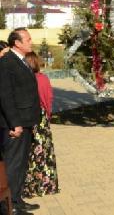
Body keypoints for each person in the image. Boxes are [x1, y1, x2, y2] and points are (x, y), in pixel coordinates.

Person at [0, 28, 42, 214]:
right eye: (27, 39)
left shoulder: (20, 60)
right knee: (13, 164)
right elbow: (5, 96)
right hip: (15, 124)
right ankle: (10, 205)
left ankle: (17, 199)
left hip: (26, 121)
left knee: (21, 164)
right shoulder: (7, 63)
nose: (31, 41)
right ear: (17, 43)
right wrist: (14, 123)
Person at [22, 52, 59, 198]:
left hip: (27, 117)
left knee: (29, 152)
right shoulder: (43, 79)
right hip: (41, 118)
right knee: (44, 152)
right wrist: (48, 115)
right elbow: (48, 98)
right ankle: (46, 185)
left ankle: (29, 186)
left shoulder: (24, 79)